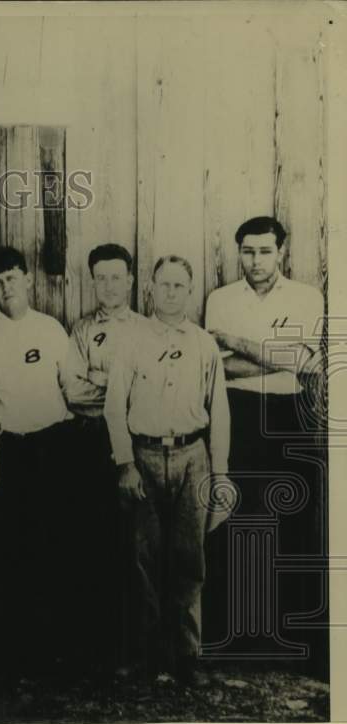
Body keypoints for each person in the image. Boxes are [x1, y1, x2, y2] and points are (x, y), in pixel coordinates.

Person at [203, 216, 325, 669]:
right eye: (248, 252)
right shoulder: (220, 299)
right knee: (235, 517)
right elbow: (222, 370)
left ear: (282, 252)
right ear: (239, 253)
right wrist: (280, 359)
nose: (256, 261)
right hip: (237, 414)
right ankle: (235, 640)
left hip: (288, 415)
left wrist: (239, 342)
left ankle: (290, 641)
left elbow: (306, 364)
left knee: (290, 522)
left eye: (265, 251)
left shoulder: (307, 297)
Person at [105, 255, 231, 687]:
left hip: (192, 456)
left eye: (180, 286)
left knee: (188, 561)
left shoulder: (203, 344)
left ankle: (185, 657)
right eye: (164, 285)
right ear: (151, 289)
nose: (171, 293)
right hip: (143, 457)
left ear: (189, 291)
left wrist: (221, 471)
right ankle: (145, 656)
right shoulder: (132, 342)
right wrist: (125, 463)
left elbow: (220, 412)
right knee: (143, 560)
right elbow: (113, 407)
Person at [0, 246, 78, 672]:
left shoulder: (51, 329)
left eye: (12, 279)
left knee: (52, 544)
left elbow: (70, 388)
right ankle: (7, 651)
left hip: (52, 447)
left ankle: (52, 648)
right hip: (11, 451)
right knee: (7, 550)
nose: (5, 288)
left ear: (28, 280)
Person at [64, 243, 147, 672]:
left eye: (117, 277)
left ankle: (134, 647)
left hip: (138, 448)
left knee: (134, 543)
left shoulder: (148, 330)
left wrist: (107, 384)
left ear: (130, 280)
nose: (109, 285)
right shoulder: (81, 329)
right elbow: (74, 392)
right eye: (101, 277)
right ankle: (94, 648)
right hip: (91, 446)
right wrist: (120, 394)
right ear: (92, 280)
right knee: (94, 541)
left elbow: (157, 392)